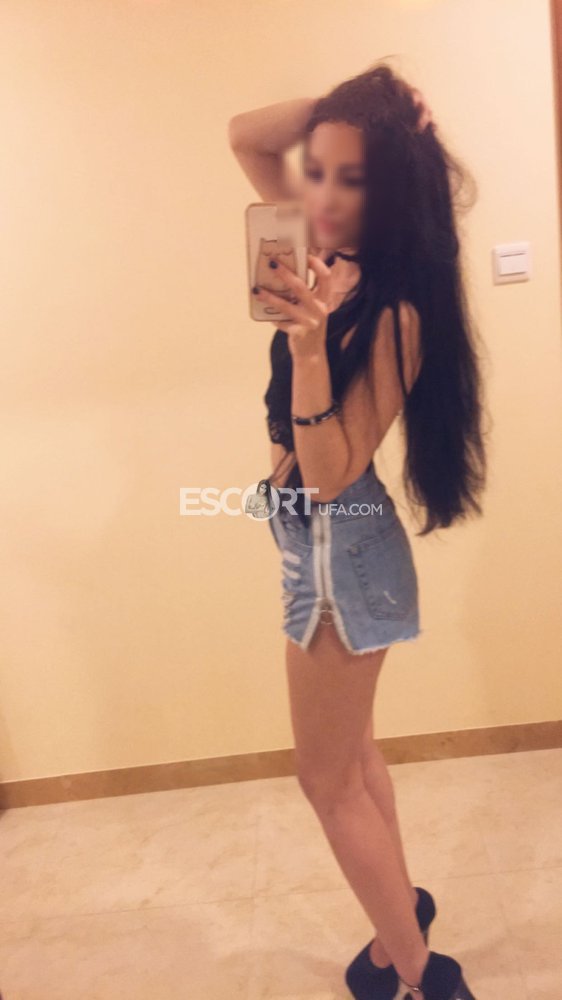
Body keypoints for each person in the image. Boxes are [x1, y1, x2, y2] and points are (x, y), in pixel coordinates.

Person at [229, 62, 487, 1000]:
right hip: (319, 545)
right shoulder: (314, 249)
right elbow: (246, 134)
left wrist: (308, 349)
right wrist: (359, 105)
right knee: (356, 759)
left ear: (395, 195)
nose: (326, 197)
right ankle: (400, 919)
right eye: (322, 171)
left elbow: (333, 474)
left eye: (356, 179)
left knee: (325, 781)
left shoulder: (395, 309)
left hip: (341, 549)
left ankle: (420, 978)